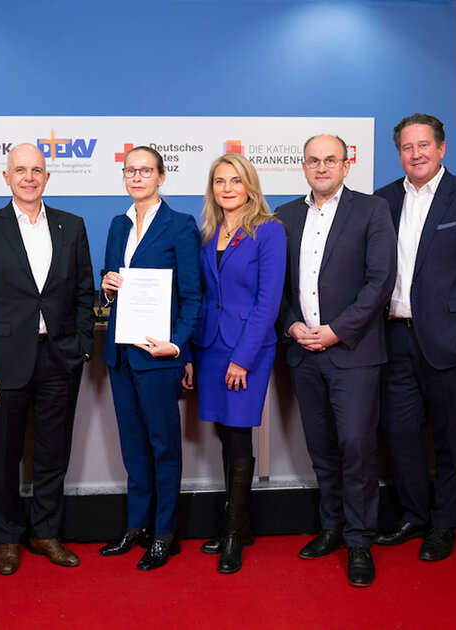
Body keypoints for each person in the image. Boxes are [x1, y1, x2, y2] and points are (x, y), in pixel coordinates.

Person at [373, 114, 456, 561]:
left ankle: (444, 524)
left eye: (424, 145)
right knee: (398, 432)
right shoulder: (382, 201)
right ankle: (414, 515)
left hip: (454, 340)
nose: (416, 154)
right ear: (399, 154)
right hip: (393, 337)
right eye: (408, 147)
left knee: (451, 437)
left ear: (442, 148)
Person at [0, 143, 95, 575]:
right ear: (6, 177)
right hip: (4, 362)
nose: (28, 177)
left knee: (53, 454)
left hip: (60, 359)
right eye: (20, 170)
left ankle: (45, 533)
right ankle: (7, 538)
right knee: (4, 456)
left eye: (36, 170)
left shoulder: (71, 226)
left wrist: (80, 345)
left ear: (47, 176)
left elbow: (82, 292)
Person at [274, 134, 396, 587]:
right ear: (302, 166)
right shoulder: (284, 217)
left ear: (347, 164)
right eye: (313, 160)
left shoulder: (372, 210)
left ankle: (360, 541)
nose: (321, 167)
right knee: (322, 449)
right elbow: (276, 286)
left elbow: (380, 282)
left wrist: (337, 330)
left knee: (357, 450)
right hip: (303, 353)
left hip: (353, 354)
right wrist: (291, 325)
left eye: (330, 160)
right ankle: (332, 528)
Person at [99, 147, 203, 570]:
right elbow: (110, 284)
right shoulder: (116, 224)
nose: (137, 177)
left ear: (161, 177)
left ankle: (165, 533)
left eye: (145, 171)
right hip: (121, 354)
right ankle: (136, 525)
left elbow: (193, 296)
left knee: (163, 447)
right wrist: (106, 286)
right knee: (133, 448)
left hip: (159, 355)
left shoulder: (180, 225)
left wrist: (177, 345)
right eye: (130, 171)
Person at [191, 153, 286, 574]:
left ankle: (233, 535)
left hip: (248, 348)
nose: (227, 188)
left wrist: (243, 360)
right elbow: (202, 295)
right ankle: (240, 524)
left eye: (235, 180)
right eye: (219, 181)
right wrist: (193, 353)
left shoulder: (269, 231)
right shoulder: (208, 232)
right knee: (224, 436)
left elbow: (269, 301)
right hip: (210, 345)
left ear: (250, 185)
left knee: (239, 434)